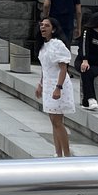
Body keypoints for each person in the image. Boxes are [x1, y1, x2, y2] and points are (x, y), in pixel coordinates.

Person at [34, 16, 76, 157]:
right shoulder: (43, 45)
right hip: (47, 84)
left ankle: (67, 154)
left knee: (58, 121)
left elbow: (63, 68)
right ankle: (58, 153)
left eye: (46, 25)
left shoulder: (57, 45)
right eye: (42, 25)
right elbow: (44, 68)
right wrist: (40, 84)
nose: (43, 28)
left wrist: (58, 87)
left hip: (58, 84)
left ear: (53, 29)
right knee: (53, 120)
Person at [77, 11, 98, 110]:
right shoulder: (87, 31)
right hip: (82, 60)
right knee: (85, 70)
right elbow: (84, 45)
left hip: (96, 64)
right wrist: (85, 60)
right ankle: (91, 98)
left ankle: (86, 101)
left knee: (89, 72)